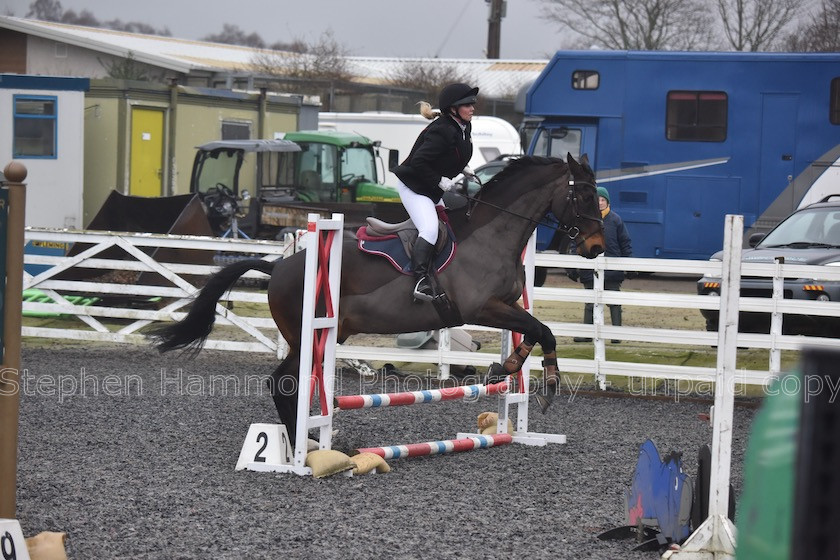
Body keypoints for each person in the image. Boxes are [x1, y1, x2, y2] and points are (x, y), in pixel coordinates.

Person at [393, 82, 478, 302]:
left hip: (429, 188)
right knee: (430, 229)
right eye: (467, 105)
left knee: (450, 222)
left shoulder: (463, 126)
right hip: (415, 186)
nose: (472, 108)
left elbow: (451, 155)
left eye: (472, 104)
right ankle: (419, 280)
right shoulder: (442, 129)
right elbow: (420, 161)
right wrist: (440, 180)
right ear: (453, 108)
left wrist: (463, 168)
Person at [569, 186, 633, 342]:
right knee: (590, 303)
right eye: (597, 200)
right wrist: (572, 266)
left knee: (614, 302)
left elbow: (625, 243)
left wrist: (630, 265)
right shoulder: (583, 220)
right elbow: (575, 242)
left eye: (603, 200)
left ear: (607, 202)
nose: (600, 203)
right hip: (590, 269)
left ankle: (616, 335)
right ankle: (587, 334)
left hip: (612, 270)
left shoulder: (615, 220)